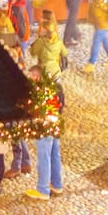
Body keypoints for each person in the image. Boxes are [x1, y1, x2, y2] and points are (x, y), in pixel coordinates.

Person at [31, 68, 67, 197]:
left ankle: (43, 190)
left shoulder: (42, 91)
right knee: (54, 155)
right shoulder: (55, 87)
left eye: (31, 77)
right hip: (56, 124)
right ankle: (57, 185)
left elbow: (37, 110)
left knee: (44, 158)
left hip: (45, 127)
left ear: (37, 76)